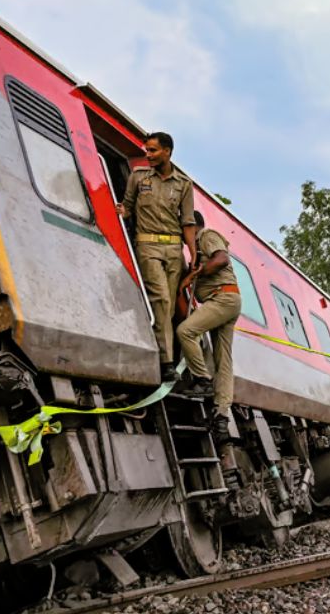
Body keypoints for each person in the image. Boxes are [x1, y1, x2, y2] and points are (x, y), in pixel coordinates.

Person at [118, 132, 198, 377]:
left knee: (170, 307)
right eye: (147, 150)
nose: (148, 154)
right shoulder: (138, 177)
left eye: (153, 150)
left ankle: (168, 357)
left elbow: (187, 222)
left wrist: (193, 255)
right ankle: (165, 362)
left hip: (174, 249)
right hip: (147, 245)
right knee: (161, 300)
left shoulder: (184, 184)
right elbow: (127, 208)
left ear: (167, 151)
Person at [176, 211, 243, 433]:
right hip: (226, 300)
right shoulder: (197, 247)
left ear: (193, 226)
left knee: (185, 331)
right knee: (223, 360)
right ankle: (222, 414)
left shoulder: (206, 235)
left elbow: (222, 259)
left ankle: (202, 380)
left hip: (222, 298)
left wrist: (194, 275)